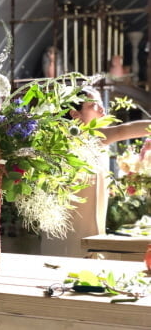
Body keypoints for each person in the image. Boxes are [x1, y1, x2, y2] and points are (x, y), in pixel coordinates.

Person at [41, 86, 151, 257]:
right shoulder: (72, 139)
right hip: (66, 234)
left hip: (90, 230)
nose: (102, 108)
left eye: (101, 102)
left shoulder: (91, 137)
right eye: (93, 105)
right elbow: (123, 130)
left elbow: (124, 130)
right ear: (74, 114)